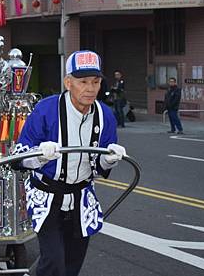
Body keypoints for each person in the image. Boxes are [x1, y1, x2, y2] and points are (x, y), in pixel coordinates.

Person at [14, 50, 126, 276]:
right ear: (68, 82)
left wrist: (109, 158)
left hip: (81, 197)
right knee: (53, 261)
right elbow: (18, 156)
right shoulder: (46, 109)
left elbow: (99, 167)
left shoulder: (105, 115)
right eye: (82, 81)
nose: (90, 88)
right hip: (46, 195)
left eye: (95, 82)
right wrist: (40, 155)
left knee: (73, 263)